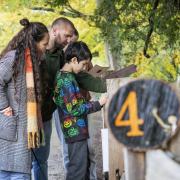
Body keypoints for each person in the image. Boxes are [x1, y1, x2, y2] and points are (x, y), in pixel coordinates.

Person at [32, 17, 107, 180]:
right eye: (67, 35)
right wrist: (98, 104)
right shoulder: (36, 52)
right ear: (54, 31)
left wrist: (108, 85)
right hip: (32, 114)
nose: (69, 40)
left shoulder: (61, 58)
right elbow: (72, 106)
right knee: (28, 161)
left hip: (48, 115)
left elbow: (79, 80)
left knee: (42, 160)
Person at [0, 18, 49, 180]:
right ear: (33, 43)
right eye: (44, 44)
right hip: (9, 136)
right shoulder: (14, 58)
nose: (47, 48)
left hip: (20, 139)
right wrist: (3, 107)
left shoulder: (32, 64)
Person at [54, 41, 107, 180]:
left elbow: (72, 103)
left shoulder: (68, 77)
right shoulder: (65, 80)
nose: (84, 68)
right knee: (77, 170)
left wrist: (86, 102)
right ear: (74, 60)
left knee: (83, 167)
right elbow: (75, 109)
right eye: (84, 64)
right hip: (75, 131)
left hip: (78, 130)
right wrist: (98, 103)